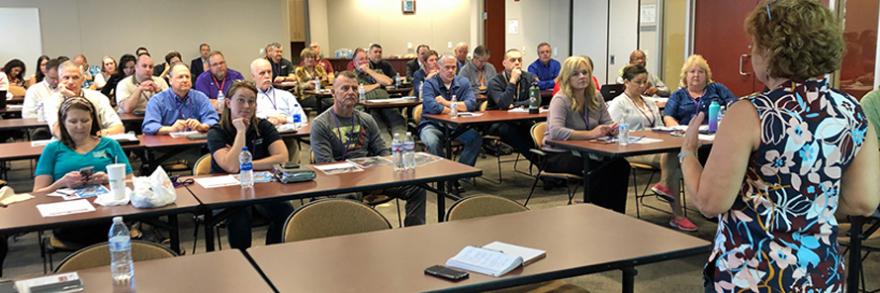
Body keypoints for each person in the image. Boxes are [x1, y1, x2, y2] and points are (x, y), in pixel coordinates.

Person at [682, 1, 880, 291]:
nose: (751, 52)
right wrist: (808, 203)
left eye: (754, 44)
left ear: (772, 50)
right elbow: (864, 201)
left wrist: (688, 153)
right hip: (819, 272)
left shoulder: (750, 113)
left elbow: (711, 203)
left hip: (753, 273)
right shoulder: (853, 112)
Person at [311, 71, 426, 226]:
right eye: (345, 88)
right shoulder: (321, 124)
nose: (351, 92)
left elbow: (382, 152)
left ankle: (414, 233)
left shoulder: (366, 119)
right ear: (333, 93)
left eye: (354, 88)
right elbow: (326, 164)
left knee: (417, 188)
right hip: (341, 181)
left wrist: (383, 174)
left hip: (371, 176)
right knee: (351, 197)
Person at [33, 97, 134, 246]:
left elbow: (132, 182)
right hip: (69, 217)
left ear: (93, 120)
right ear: (63, 122)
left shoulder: (110, 145)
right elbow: (38, 193)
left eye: (85, 121)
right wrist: (62, 182)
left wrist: (108, 178)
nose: (80, 126)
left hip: (109, 212)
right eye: (73, 122)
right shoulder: (53, 149)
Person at [206, 81, 293, 250]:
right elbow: (231, 167)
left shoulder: (263, 126)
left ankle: (272, 253)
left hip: (260, 187)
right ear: (228, 103)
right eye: (241, 100)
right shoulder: (217, 131)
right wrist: (240, 131)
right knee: (240, 217)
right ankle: (243, 261)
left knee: (285, 211)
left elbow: (282, 158)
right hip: (227, 192)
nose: (247, 106)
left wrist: (247, 164)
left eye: (251, 101)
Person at [608, 64, 695, 231]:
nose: (642, 86)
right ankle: (677, 213)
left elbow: (660, 126)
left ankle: (667, 189)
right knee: (673, 159)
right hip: (631, 149)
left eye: (645, 83)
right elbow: (614, 131)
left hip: (655, 146)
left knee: (676, 157)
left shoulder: (650, 102)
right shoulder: (618, 104)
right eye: (638, 82)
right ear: (626, 82)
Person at [544, 56, 630, 213]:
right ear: (567, 77)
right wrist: (590, 134)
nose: (582, 77)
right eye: (576, 74)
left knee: (621, 165)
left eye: (585, 73)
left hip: (588, 150)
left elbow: (607, 121)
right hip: (559, 154)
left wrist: (611, 128)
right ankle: (595, 213)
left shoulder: (596, 96)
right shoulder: (561, 99)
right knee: (597, 169)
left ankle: (617, 213)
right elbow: (556, 131)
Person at [419, 55, 483, 190]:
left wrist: (446, 103)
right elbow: (432, 107)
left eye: (453, 67)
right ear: (438, 68)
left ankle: (457, 176)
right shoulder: (430, 84)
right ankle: (444, 177)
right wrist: (457, 107)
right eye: (447, 67)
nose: (450, 71)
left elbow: (471, 104)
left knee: (475, 139)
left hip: (456, 126)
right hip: (432, 124)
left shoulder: (463, 82)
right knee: (432, 141)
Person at [486, 49, 538, 164]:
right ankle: (542, 165)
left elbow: (534, 100)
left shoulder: (528, 77)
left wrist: (514, 105)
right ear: (504, 63)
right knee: (516, 134)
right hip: (498, 122)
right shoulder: (494, 82)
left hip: (521, 119)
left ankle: (550, 165)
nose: (517, 63)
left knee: (537, 130)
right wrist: (513, 80)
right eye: (513, 60)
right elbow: (503, 104)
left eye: (519, 60)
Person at [45, 61, 124, 137]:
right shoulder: (52, 101)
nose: (71, 82)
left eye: (75, 77)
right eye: (66, 78)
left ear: (82, 80)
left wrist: (97, 136)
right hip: (66, 147)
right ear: (59, 80)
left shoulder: (98, 98)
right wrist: (72, 98)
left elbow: (119, 128)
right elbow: (57, 132)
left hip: (96, 144)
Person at [252, 58, 307, 162]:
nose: (267, 76)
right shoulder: (251, 98)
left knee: (291, 145)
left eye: (269, 72)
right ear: (253, 77)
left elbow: (301, 118)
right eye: (262, 73)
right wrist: (267, 120)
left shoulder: (285, 95)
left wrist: (284, 119)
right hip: (262, 138)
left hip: (287, 136)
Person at [142, 63, 218, 135]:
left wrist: (202, 126)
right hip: (166, 145)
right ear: (170, 80)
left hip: (195, 144)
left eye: (187, 77)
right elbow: (149, 126)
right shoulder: (157, 100)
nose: (185, 80)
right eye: (180, 77)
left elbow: (213, 120)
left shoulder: (200, 97)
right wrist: (171, 129)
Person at [663, 55, 737, 126]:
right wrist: (679, 130)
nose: (696, 75)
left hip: (716, 133)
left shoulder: (717, 89)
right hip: (686, 134)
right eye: (692, 71)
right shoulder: (678, 95)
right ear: (686, 75)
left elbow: (735, 105)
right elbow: (668, 117)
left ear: (706, 75)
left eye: (700, 72)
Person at [352, 49, 407, 142]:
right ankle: (388, 149)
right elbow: (357, 89)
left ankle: (402, 146)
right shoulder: (352, 76)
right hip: (368, 109)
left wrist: (368, 70)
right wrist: (377, 85)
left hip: (386, 105)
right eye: (361, 59)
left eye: (366, 59)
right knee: (378, 125)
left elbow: (388, 82)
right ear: (354, 62)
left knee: (398, 120)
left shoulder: (377, 72)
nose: (364, 61)